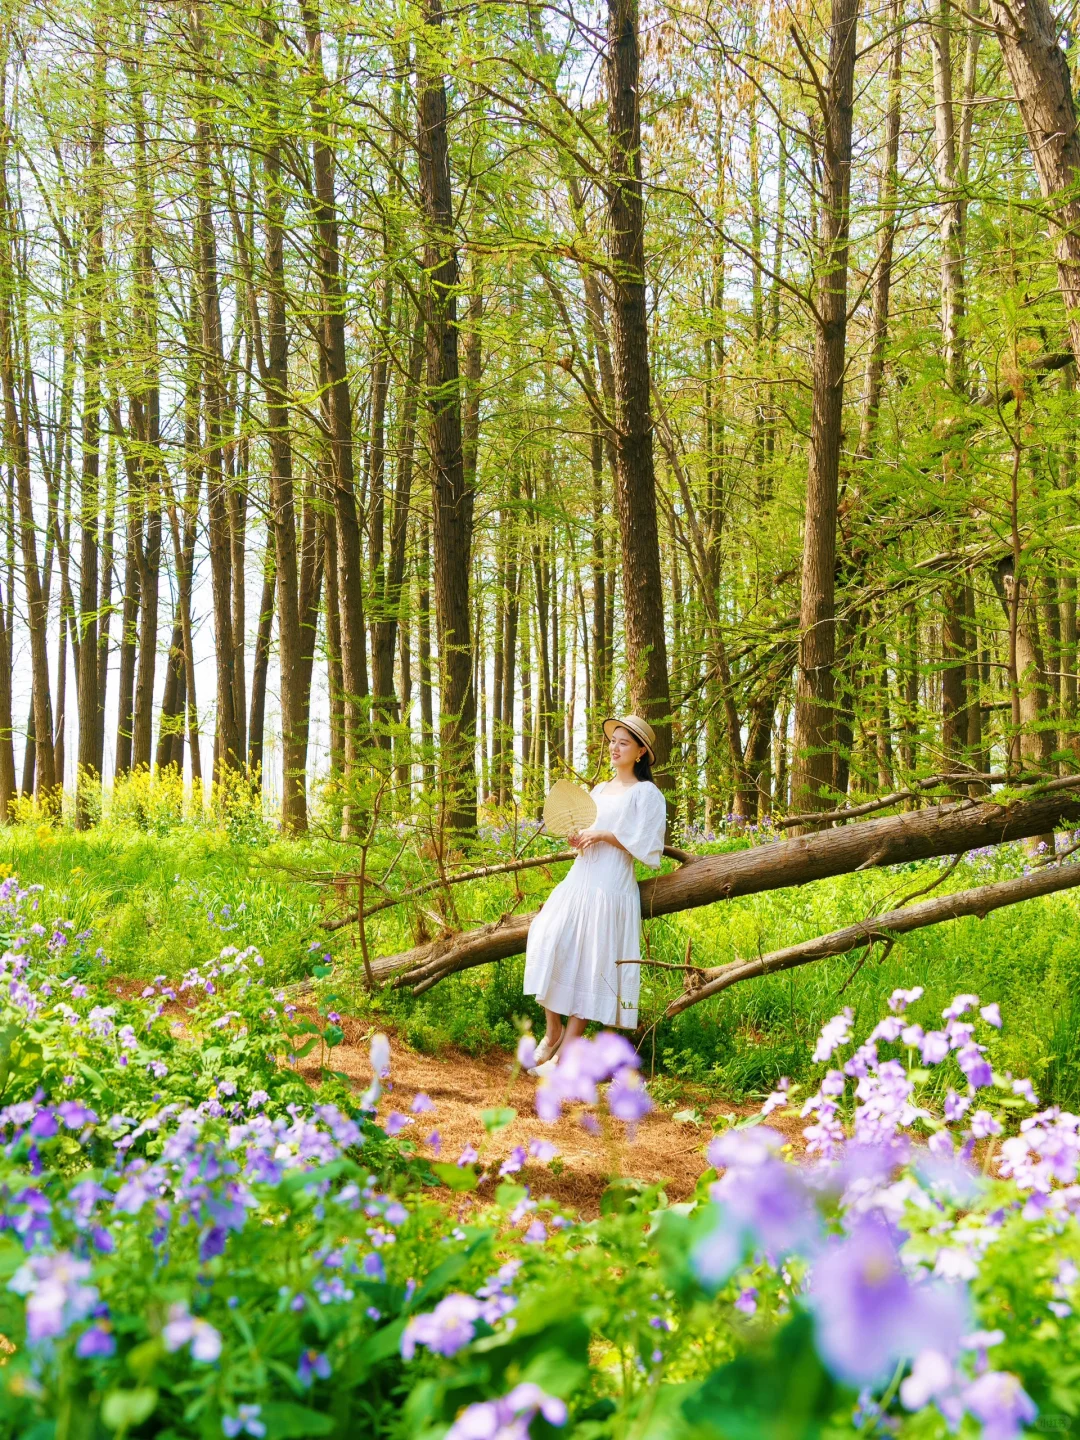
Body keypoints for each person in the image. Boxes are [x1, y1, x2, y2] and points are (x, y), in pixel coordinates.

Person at [523, 714, 668, 1070]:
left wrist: (602, 835)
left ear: (641, 752)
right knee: (545, 934)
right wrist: (581, 838)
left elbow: (648, 846)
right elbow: (586, 829)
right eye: (613, 741)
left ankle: (567, 1055)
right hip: (582, 878)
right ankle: (553, 1030)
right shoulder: (600, 790)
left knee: (593, 963)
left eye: (624, 743)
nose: (615, 748)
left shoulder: (647, 795)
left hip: (611, 886)